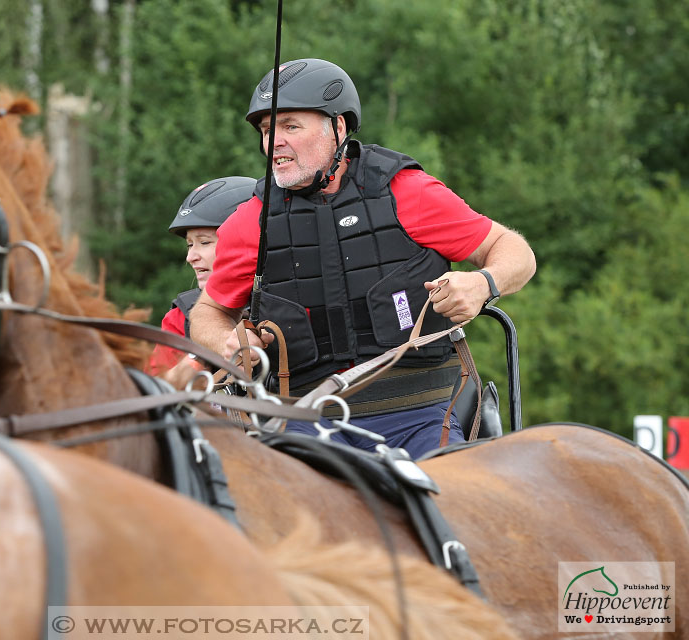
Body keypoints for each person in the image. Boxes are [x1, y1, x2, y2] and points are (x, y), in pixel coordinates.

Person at [189, 58, 536, 457]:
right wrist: (229, 342)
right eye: (268, 130)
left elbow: (516, 252)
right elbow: (206, 313)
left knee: (452, 504)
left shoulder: (408, 192)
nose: (273, 143)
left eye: (290, 126)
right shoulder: (251, 221)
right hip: (304, 420)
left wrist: (482, 284)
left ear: (337, 128)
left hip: (419, 414)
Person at [147, 176, 256, 388]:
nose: (191, 257)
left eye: (204, 242)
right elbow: (150, 395)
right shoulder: (182, 316)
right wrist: (198, 360)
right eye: (190, 245)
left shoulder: (285, 300)